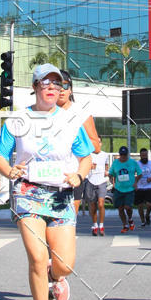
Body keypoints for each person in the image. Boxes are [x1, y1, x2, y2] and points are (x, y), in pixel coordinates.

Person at [0, 64, 93, 300]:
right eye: (45, 83)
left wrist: (79, 175)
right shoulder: (18, 120)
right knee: (36, 256)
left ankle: (56, 275)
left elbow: (86, 156)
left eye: (56, 84)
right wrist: (8, 171)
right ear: (35, 87)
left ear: (61, 90)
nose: (51, 88)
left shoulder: (71, 121)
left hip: (60, 196)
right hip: (27, 194)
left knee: (65, 265)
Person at [57, 69, 101, 218]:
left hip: (72, 175)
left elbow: (96, 146)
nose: (61, 90)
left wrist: (74, 136)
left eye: (65, 86)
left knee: (67, 223)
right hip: (46, 175)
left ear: (71, 89)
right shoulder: (44, 112)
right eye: (57, 86)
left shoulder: (81, 113)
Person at [108, 146, 142, 232]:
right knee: (120, 208)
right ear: (119, 155)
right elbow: (111, 174)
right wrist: (112, 182)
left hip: (129, 189)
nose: (123, 157)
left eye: (124, 155)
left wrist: (135, 182)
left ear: (127, 155)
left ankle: (130, 219)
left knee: (127, 207)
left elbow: (140, 173)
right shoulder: (115, 163)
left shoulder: (132, 162)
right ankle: (125, 225)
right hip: (119, 189)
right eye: (121, 155)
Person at [85, 148, 109, 235]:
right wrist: (89, 167)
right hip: (91, 181)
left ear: (101, 144)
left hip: (101, 181)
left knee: (101, 203)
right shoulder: (88, 155)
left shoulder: (104, 154)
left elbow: (107, 166)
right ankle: (95, 225)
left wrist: (106, 171)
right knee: (93, 205)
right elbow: (83, 166)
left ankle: (101, 225)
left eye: (99, 142)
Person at [135, 148, 151, 227]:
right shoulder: (137, 164)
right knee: (140, 205)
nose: (144, 157)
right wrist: (135, 182)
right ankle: (143, 221)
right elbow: (132, 173)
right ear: (140, 155)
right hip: (139, 187)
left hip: (149, 186)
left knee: (149, 205)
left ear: (147, 155)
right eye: (143, 155)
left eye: (146, 155)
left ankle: (147, 215)